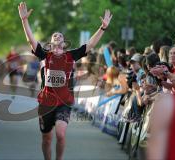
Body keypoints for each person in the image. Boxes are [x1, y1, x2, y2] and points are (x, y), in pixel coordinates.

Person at [18, 2, 112, 160]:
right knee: (47, 139)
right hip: (46, 103)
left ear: (63, 41)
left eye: (60, 36)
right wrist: (24, 20)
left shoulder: (71, 55)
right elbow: (31, 40)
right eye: (54, 36)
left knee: (60, 134)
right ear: (51, 42)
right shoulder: (45, 55)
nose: (57, 37)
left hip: (64, 102)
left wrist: (102, 28)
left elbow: (90, 44)